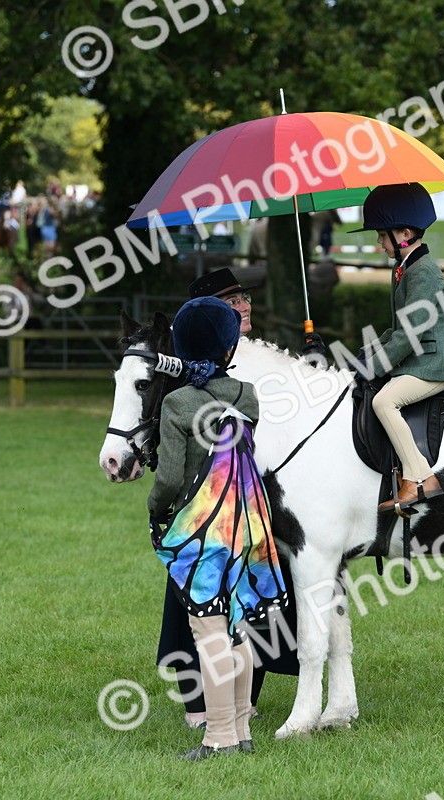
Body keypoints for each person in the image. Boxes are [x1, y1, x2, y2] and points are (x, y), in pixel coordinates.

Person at [147, 297, 286, 760]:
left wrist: (154, 510)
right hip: (249, 525)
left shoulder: (176, 403)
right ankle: (242, 728)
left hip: (202, 529)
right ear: (229, 350)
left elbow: (168, 478)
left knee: (209, 633)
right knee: (241, 626)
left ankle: (219, 736)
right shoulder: (246, 394)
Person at [349, 184, 444, 513]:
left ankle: (420, 478)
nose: (379, 243)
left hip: (439, 363)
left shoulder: (421, 272)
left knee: (384, 401)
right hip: (427, 357)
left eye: (381, 235)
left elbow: (409, 333)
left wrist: (374, 366)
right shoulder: (408, 267)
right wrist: (367, 353)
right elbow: (397, 329)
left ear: (403, 233)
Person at [188, 267, 328, 360]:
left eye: (245, 298)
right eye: (232, 302)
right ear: (209, 313)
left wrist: (311, 367)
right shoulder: (197, 363)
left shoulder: (257, 356)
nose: (245, 307)